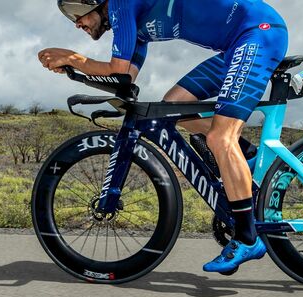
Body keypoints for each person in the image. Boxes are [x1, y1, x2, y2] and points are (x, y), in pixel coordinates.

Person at [38, 0, 288, 273]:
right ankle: (246, 157)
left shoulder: (121, 3)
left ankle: (247, 238)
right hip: (238, 44)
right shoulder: (136, 27)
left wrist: (73, 58)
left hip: (257, 34)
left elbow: (117, 69)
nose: (77, 23)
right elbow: (124, 78)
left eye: (76, 12)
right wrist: (75, 71)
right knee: (174, 106)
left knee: (220, 138)